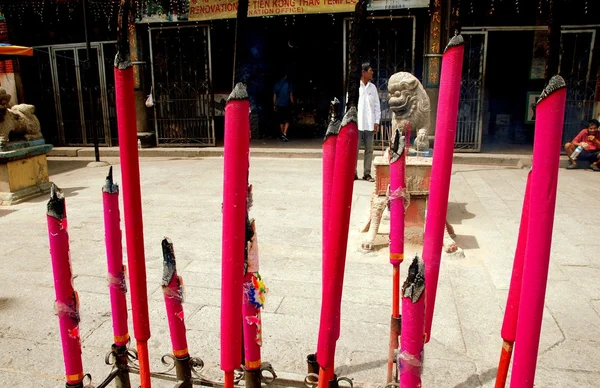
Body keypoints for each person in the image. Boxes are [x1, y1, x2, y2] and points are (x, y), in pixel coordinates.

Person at [355, 62, 381, 182]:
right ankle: (353, 172)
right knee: (355, 149)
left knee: (369, 149)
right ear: (364, 72)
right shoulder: (356, 87)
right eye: (370, 70)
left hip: (369, 124)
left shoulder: (373, 88)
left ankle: (367, 173)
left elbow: (377, 106)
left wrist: (376, 121)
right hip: (358, 123)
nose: (372, 73)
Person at [273, 74, 294, 142]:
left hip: (279, 104)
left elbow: (274, 96)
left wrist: (274, 105)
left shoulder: (276, 85)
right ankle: (284, 134)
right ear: (285, 77)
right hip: (286, 104)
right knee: (287, 120)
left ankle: (283, 135)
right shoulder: (288, 84)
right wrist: (293, 103)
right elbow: (291, 95)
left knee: (281, 120)